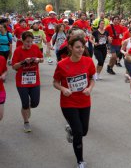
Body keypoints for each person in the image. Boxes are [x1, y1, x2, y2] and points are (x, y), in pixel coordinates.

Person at [53, 36, 96, 168]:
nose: (81, 49)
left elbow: (92, 78)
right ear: (70, 48)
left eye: (82, 47)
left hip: (84, 101)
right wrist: (63, 88)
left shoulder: (88, 61)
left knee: (83, 131)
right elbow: (55, 82)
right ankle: (80, 161)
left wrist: (89, 88)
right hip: (68, 102)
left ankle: (72, 131)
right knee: (78, 132)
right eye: (77, 47)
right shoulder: (62, 64)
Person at [12, 31, 44, 132]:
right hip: (22, 82)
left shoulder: (35, 47)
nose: (29, 44)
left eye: (31, 41)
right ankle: (26, 122)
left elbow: (42, 58)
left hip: (34, 80)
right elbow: (14, 66)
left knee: (35, 103)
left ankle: (28, 106)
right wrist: (23, 62)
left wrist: (38, 59)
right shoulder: (18, 51)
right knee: (25, 104)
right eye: (27, 42)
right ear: (22, 41)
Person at [0, 55, 8, 121]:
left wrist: (4, 75)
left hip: (0, 90)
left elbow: (5, 70)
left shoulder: (2, 58)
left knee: (0, 116)